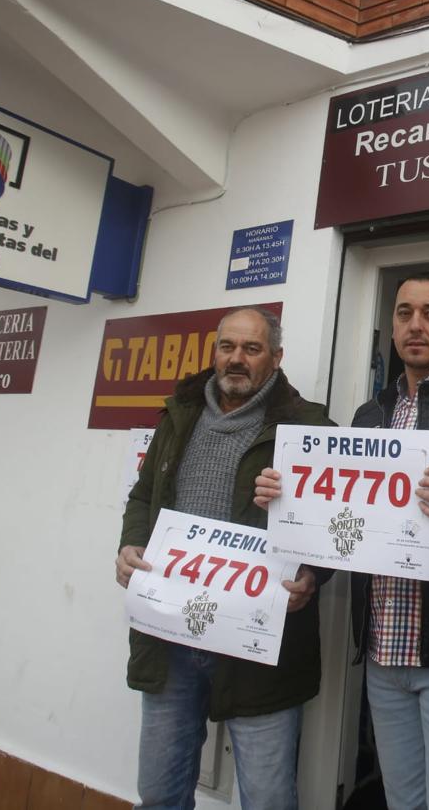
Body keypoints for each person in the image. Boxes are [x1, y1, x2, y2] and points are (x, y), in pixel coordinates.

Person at [256, 273, 429, 809]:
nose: (415, 325)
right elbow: (343, 527)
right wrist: (292, 511)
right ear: (391, 326)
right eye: (403, 313)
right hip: (381, 653)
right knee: (402, 802)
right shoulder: (367, 416)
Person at [115, 307, 334, 810]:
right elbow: (142, 497)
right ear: (214, 352)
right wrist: (130, 546)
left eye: (252, 349)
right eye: (227, 347)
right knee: (159, 793)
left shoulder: (308, 426)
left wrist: (312, 574)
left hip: (258, 644)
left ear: (276, 358)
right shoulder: (178, 413)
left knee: (267, 798)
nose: (237, 359)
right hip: (169, 636)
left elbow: (335, 526)